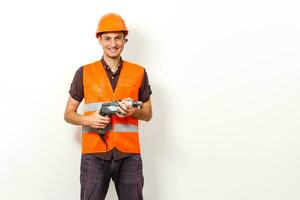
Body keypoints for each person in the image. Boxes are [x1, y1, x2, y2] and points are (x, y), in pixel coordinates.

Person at [64, 13, 152, 200]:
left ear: (124, 40)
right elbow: (68, 114)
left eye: (117, 38)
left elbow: (148, 113)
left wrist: (133, 111)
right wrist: (88, 119)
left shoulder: (138, 72)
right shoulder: (84, 72)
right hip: (94, 154)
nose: (113, 44)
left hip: (129, 155)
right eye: (108, 38)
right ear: (100, 40)